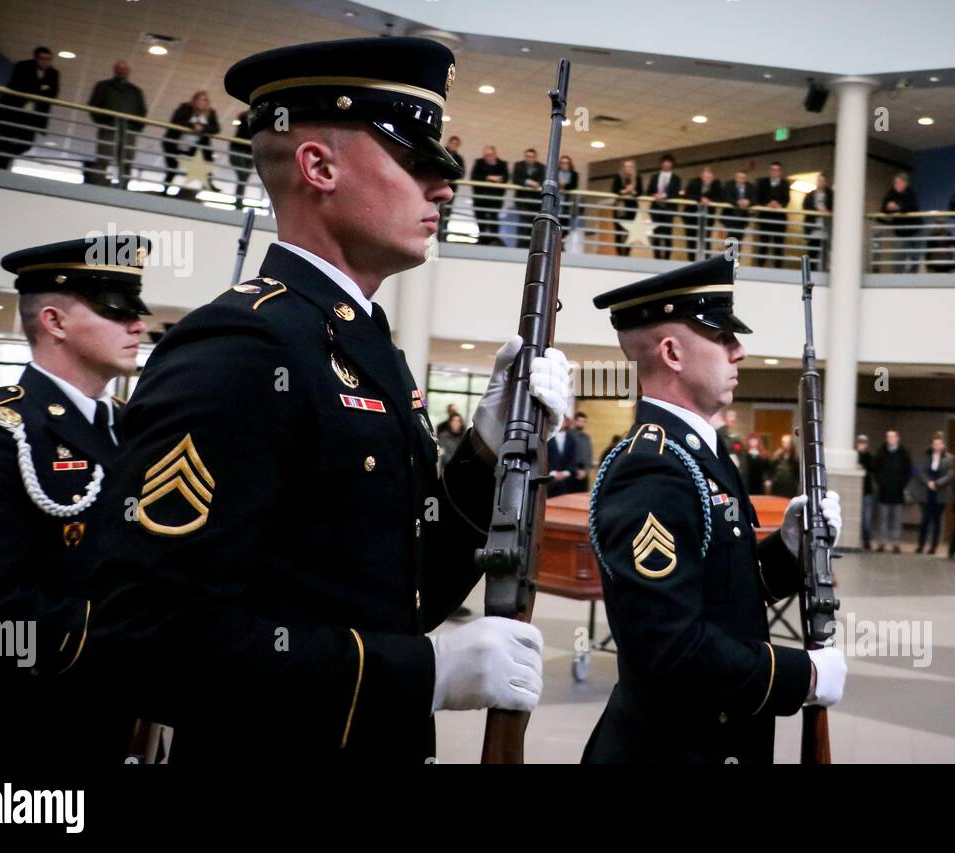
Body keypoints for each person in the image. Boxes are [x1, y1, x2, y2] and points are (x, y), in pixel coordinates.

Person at [90, 37, 574, 763]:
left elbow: (397, 585)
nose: (443, 188)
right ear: (318, 166)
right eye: (416, 162)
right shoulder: (243, 347)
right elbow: (146, 640)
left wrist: (485, 447)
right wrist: (424, 671)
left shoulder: (359, 343)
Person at [585, 255, 846, 763]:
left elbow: (722, 591)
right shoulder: (651, 468)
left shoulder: (701, 453)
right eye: (723, 337)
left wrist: (788, 548)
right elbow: (671, 648)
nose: (740, 351)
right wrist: (802, 676)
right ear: (672, 353)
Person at [0, 234, 152, 763]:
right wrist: (111, 635)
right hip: (31, 713)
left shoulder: (131, 427)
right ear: (54, 322)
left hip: (119, 707)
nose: (138, 325)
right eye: (115, 311)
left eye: (135, 311)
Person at [0, 46, 59, 170]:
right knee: (4, 143)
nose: (45, 62)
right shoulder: (23, 66)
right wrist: (41, 88)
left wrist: (36, 89)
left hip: (31, 116)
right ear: (36, 58)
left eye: (48, 59)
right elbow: (19, 86)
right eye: (43, 59)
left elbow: (53, 94)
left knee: (26, 144)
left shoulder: (53, 73)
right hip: (10, 112)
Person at [86, 61, 147, 186]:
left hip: (128, 130)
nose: (122, 71)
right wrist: (103, 121)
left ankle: (123, 186)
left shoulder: (135, 91)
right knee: (103, 156)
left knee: (126, 160)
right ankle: (97, 183)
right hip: (109, 126)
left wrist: (136, 127)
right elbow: (94, 105)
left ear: (129, 71)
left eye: (124, 68)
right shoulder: (103, 86)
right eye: (119, 68)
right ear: (114, 70)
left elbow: (142, 111)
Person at [162, 91, 220, 186]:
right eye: (200, 99)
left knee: (207, 158)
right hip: (176, 143)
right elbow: (176, 121)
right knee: (173, 167)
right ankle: (165, 189)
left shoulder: (211, 113)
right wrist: (192, 126)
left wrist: (203, 128)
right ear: (194, 100)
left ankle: (209, 183)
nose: (203, 102)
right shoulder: (185, 108)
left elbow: (216, 129)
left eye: (205, 99)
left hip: (194, 146)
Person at [914, 432, 954, 555]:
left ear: (943, 445)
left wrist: (937, 483)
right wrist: (928, 482)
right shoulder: (926, 455)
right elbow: (918, 470)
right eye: (934, 444)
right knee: (925, 519)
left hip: (939, 493)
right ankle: (920, 545)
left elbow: (949, 475)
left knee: (937, 521)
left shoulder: (949, 458)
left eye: (939, 444)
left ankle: (933, 546)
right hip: (926, 492)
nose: (936, 446)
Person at [874, 429, 912, 552]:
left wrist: (902, 484)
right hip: (884, 491)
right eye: (888, 437)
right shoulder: (881, 452)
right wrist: (881, 483)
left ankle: (895, 543)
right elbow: (876, 470)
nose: (890, 439)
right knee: (883, 518)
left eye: (893, 437)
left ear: (897, 438)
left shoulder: (904, 453)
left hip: (897, 491)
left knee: (896, 518)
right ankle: (882, 542)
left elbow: (909, 471)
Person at [469, 145, 509, 246]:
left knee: (494, 219)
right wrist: (489, 178)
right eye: (486, 155)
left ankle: (493, 239)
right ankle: (481, 238)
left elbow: (505, 179)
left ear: (495, 154)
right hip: (480, 198)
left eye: (490, 155)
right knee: (480, 219)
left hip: (495, 198)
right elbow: (474, 177)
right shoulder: (479, 162)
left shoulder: (502, 164)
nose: (487, 157)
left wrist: (498, 180)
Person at [879, 173, 919, 273]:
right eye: (895, 182)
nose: (896, 184)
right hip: (900, 231)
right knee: (898, 256)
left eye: (898, 183)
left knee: (915, 256)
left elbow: (912, 207)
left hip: (914, 229)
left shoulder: (910, 192)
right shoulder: (891, 192)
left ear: (905, 183)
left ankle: (912, 278)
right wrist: (888, 207)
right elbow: (883, 208)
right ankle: (897, 279)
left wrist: (898, 208)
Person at [646, 154, 682, 260]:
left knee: (667, 235)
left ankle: (666, 258)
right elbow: (649, 191)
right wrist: (654, 195)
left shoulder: (676, 178)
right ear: (661, 164)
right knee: (656, 235)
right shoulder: (655, 177)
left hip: (668, 209)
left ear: (672, 164)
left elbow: (676, 194)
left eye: (669, 162)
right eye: (664, 162)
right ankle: (656, 257)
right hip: (656, 209)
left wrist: (665, 196)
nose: (666, 164)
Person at [755, 162, 791, 268]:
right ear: (770, 171)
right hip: (765, 218)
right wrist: (768, 204)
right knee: (763, 244)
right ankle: (760, 267)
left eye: (777, 170)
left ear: (780, 172)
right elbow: (759, 197)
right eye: (773, 170)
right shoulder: (763, 182)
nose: (775, 172)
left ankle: (778, 268)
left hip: (779, 219)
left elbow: (787, 198)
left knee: (778, 246)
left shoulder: (785, 183)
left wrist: (779, 204)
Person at [511, 148, 546, 249]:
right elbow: (515, 179)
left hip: (535, 201)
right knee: (522, 222)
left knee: (534, 222)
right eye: (528, 156)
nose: (530, 159)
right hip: (522, 199)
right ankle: (521, 244)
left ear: (535, 157)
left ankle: (532, 245)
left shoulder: (541, 167)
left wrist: (537, 184)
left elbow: (543, 179)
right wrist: (528, 182)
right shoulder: (518, 165)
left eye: (532, 157)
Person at [682, 166, 723, 245]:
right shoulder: (694, 182)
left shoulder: (716, 184)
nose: (707, 178)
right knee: (691, 241)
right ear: (701, 176)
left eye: (709, 176)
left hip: (707, 218)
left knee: (705, 241)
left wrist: (709, 200)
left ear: (713, 177)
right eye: (705, 176)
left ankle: (705, 257)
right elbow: (687, 195)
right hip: (691, 217)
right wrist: (700, 199)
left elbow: (721, 197)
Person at [800, 173, 833, 271]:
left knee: (825, 254)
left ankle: (823, 272)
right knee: (812, 253)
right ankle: (811, 272)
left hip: (826, 229)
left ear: (825, 182)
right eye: (819, 181)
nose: (820, 183)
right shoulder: (810, 195)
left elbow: (835, 206)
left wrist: (827, 211)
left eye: (822, 181)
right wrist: (816, 210)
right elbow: (805, 206)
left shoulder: (831, 195)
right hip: (813, 229)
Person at [610, 159, 642, 257]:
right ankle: (619, 254)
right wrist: (624, 191)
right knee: (619, 232)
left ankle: (627, 254)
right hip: (619, 208)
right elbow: (614, 190)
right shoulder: (618, 177)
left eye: (630, 166)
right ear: (623, 168)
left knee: (630, 232)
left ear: (633, 168)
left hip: (631, 209)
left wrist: (633, 192)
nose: (628, 169)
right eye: (626, 166)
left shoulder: (637, 178)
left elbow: (640, 192)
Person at [724, 170, 757, 258]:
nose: (741, 180)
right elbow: (726, 197)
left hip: (743, 219)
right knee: (731, 242)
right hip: (731, 218)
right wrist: (737, 202)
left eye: (743, 178)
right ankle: (729, 264)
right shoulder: (729, 185)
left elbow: (755, 199)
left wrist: (748, 202)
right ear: (736, 178)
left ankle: (735, 265)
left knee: (738, 243)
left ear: (745, 179)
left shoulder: (750, 187)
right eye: (739, 177)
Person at [228, 108, 257, 198]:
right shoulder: (245, 117)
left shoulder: (258, 120)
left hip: (250, 150)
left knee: (244, 177)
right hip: (239, 148)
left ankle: (239, 201)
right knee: (243, 176)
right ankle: (239, 201)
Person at [856, 433, 875, 550]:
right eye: (860, 443)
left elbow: (871, 468)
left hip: (866, 491)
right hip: (859, 492)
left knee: (866, 519)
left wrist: (862, 466)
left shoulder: (869, 457)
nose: (861, 445)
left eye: (863, 443)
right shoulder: (853, 455)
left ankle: (866, 541)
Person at [569, 410, 594, 494]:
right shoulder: (568, 436)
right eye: (579, 421)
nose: (581, 423)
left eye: (583, 421)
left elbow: (589, 456)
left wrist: (586, 471)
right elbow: (566, 456)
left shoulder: (586, 438)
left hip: (584, 473)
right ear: (575, 421)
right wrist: (576, 470)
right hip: (571, 473)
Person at [770, 433, 800, 498]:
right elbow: (771, 469)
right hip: (778, 486)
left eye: (787, 442)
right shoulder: (777, 456)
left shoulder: (795, 458)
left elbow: (798, 473)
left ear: (791, 444)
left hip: (790, 487)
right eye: (783, 442)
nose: (785, 444)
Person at [558, 154, 580, 237]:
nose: (564, 165)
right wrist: (560, 184)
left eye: (566, 163)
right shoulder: (555, 173)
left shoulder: (574, 174)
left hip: (568, 204)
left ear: (570, 164)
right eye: (563, 163)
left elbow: (573, 186)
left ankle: (562, 242)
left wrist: (564, 185)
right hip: (556, 203)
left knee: (565, 225)